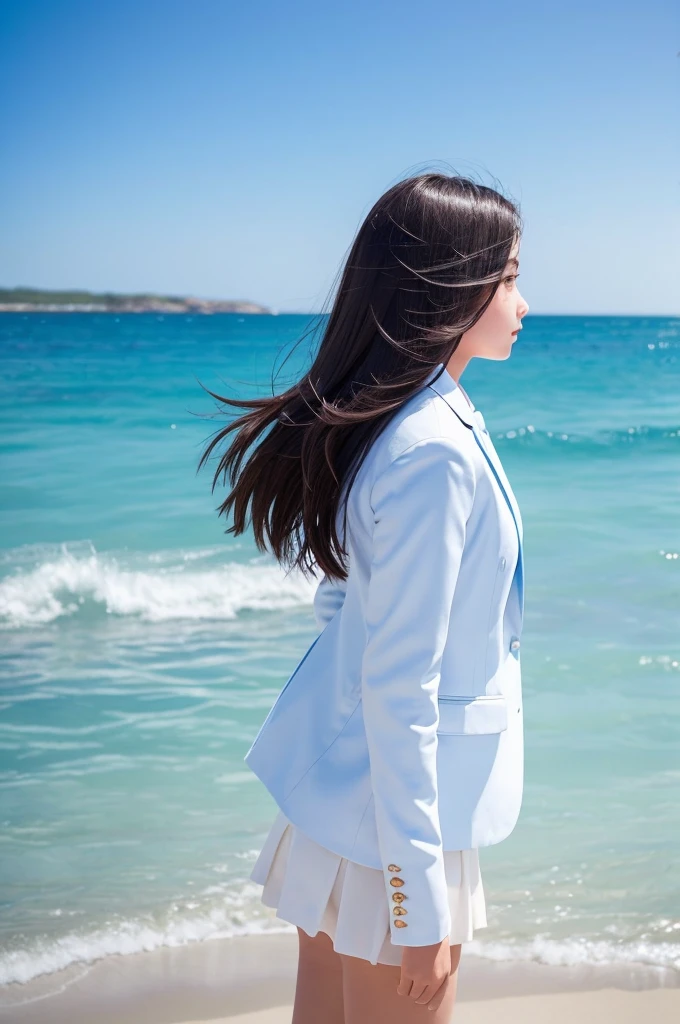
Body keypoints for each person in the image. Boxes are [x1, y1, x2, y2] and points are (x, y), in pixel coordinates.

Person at [197, 171, 530, 1022]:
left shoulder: (400, 421)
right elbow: (401, 686)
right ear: (454, 287)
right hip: (396, 838)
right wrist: (420, 902)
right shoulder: (433, 449)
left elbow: (344, 609)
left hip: (352, 810)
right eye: (512, 276)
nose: (524, 300)